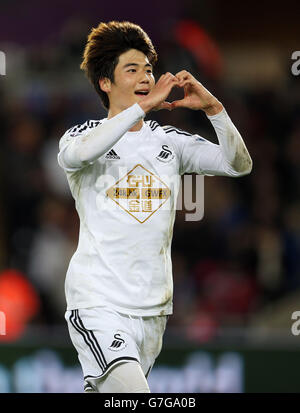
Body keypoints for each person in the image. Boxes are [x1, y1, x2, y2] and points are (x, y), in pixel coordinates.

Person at [57, 21, 252, 393]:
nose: (146, 76)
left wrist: (215, 109)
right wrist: (141, 108)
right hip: (98, 304)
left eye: (148, 68)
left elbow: (237, 164)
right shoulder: (81, 136)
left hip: (153, 312)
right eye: (132, 69)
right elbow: (78, 155)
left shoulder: (169, 143)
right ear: (105, 83)